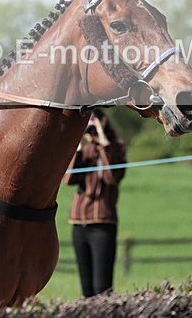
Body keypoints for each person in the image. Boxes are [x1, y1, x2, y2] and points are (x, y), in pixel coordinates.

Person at [64, 110, 127, 297]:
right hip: (78, 223)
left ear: (104, 121)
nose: (91, 125)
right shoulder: (84, 151)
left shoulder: (117, 147)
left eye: (94, 120)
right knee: (87, 289)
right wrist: (76, 145)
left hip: (102, 223)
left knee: (102, 287)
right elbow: (68, 180)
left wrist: (103, 144)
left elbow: (112, 177)